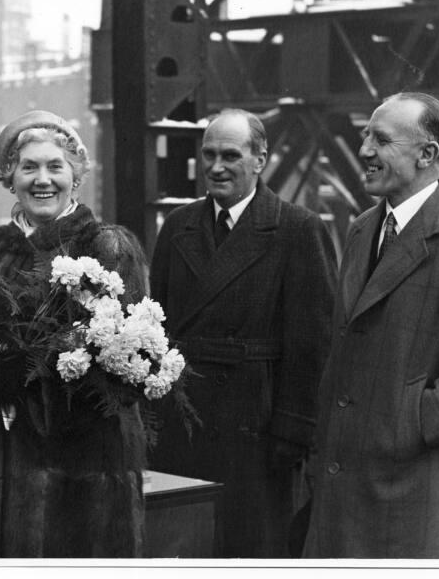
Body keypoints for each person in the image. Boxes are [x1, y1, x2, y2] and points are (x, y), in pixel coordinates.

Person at [302, 92, 439, 558]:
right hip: (350, 481)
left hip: (420, 491)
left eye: (380, 140)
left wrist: (411, 424)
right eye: (366, 136)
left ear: (428, 154)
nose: (364, 150)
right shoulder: (363, 229)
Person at [0, 110, 149, 557]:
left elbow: (126, 368)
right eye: (28, 166)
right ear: (10, 177)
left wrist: (26, 375)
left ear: (75, 176)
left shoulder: (107, 246)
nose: (42, 179)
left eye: (55, 166)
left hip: (82, 472)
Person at [149, 108, 337, 558]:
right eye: (209, 154)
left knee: (252, 548)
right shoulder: (178, 227)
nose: (217, 166)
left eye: (230, 155)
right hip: (184, 421)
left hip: (259, 426)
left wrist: (295, 433)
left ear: (260, 159)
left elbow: (314, 344)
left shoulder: (298, 229)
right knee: (185, 546)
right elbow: (154, 327)